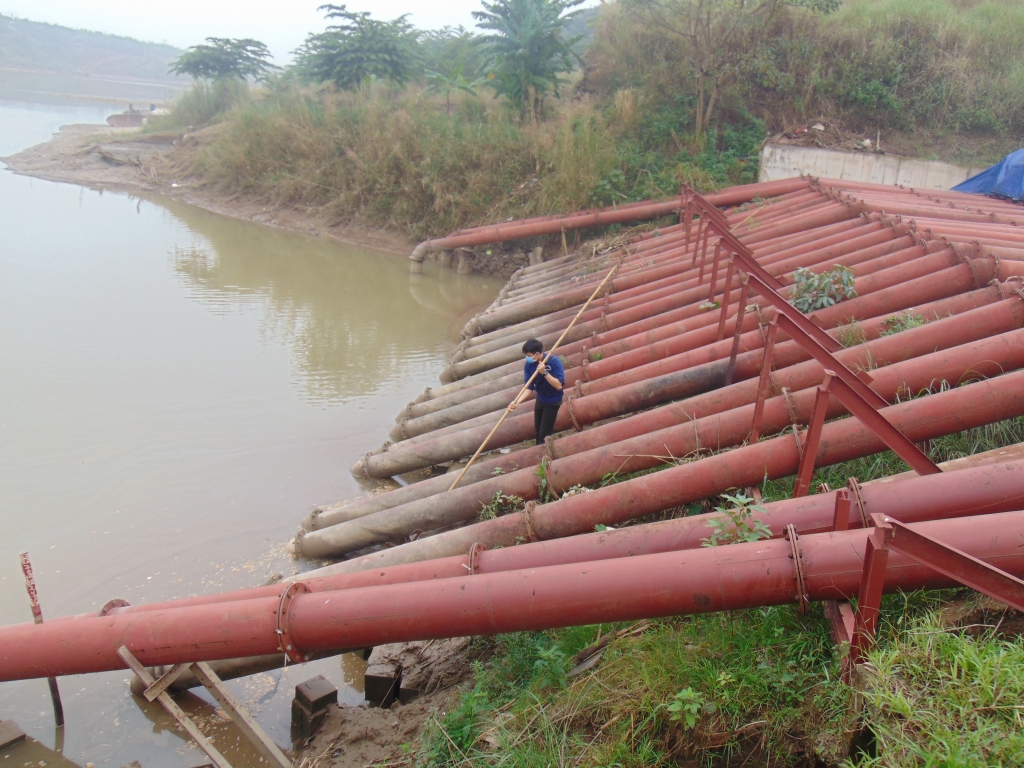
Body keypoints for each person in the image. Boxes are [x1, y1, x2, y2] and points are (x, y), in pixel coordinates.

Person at [517, 338, 565, 445]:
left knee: (544, 434)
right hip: (541, 398)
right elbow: (529, 387)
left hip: (553, 401)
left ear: (537, 354)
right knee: (538, 432)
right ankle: (538, 450)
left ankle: (543, 456)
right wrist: (517, 402)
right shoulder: (529, 365)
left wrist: (544, 372)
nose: (527, 358)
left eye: (529, 355)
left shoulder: (554, 362)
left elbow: (558, 386)